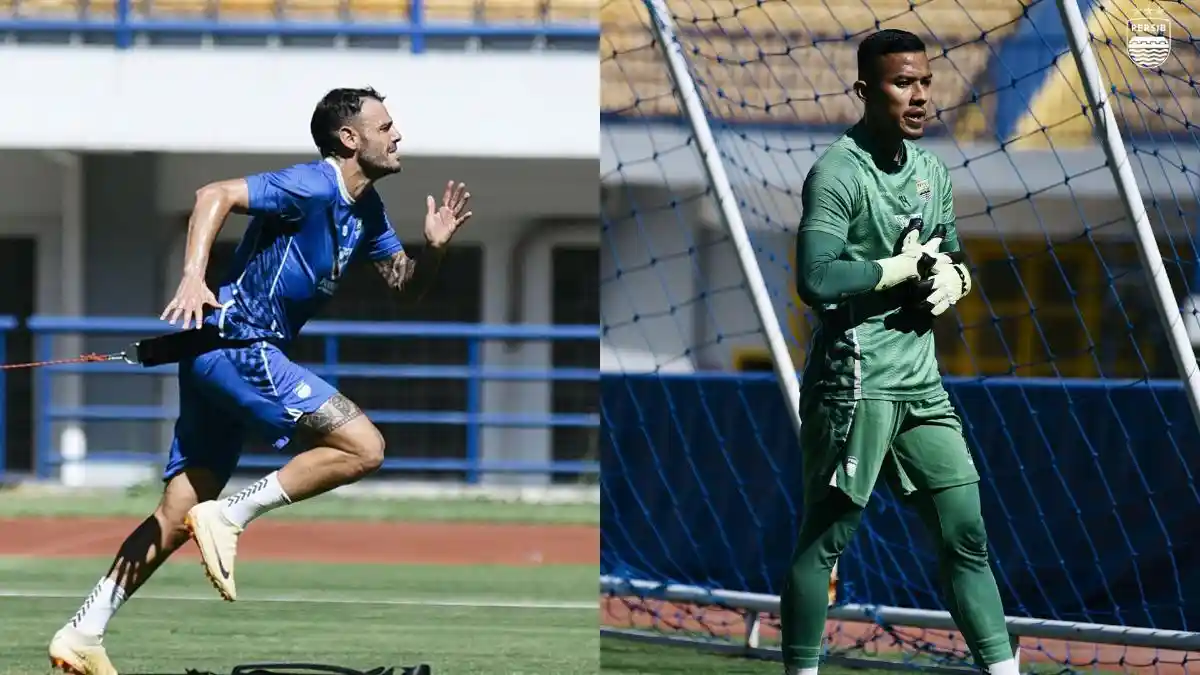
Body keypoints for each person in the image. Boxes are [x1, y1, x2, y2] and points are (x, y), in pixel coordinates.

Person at [47, 86, 473, 675]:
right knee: (363, 446)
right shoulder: (312, 183)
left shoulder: (368, 210)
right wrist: (195, 278)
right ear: (350, 139)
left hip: (219, 359)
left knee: (177, 513)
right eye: (385, 126)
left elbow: (406, 286)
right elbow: (213, 194)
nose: (397, 134)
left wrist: (435, 250)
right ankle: (231, 516)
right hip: (238, 346)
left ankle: (82, 632)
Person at [780, 29, 1017, 675]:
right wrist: (895, 269)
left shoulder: (932, 172)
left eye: (924, 83)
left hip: (922, 384)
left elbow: (950, 255)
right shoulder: (837, 171)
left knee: (966, 532)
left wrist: (953, 281)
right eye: (901, 83)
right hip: (854, 382)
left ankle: (1003, 669)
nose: (918, 96)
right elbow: (817, 278)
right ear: (864, 90)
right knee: (827, 540)